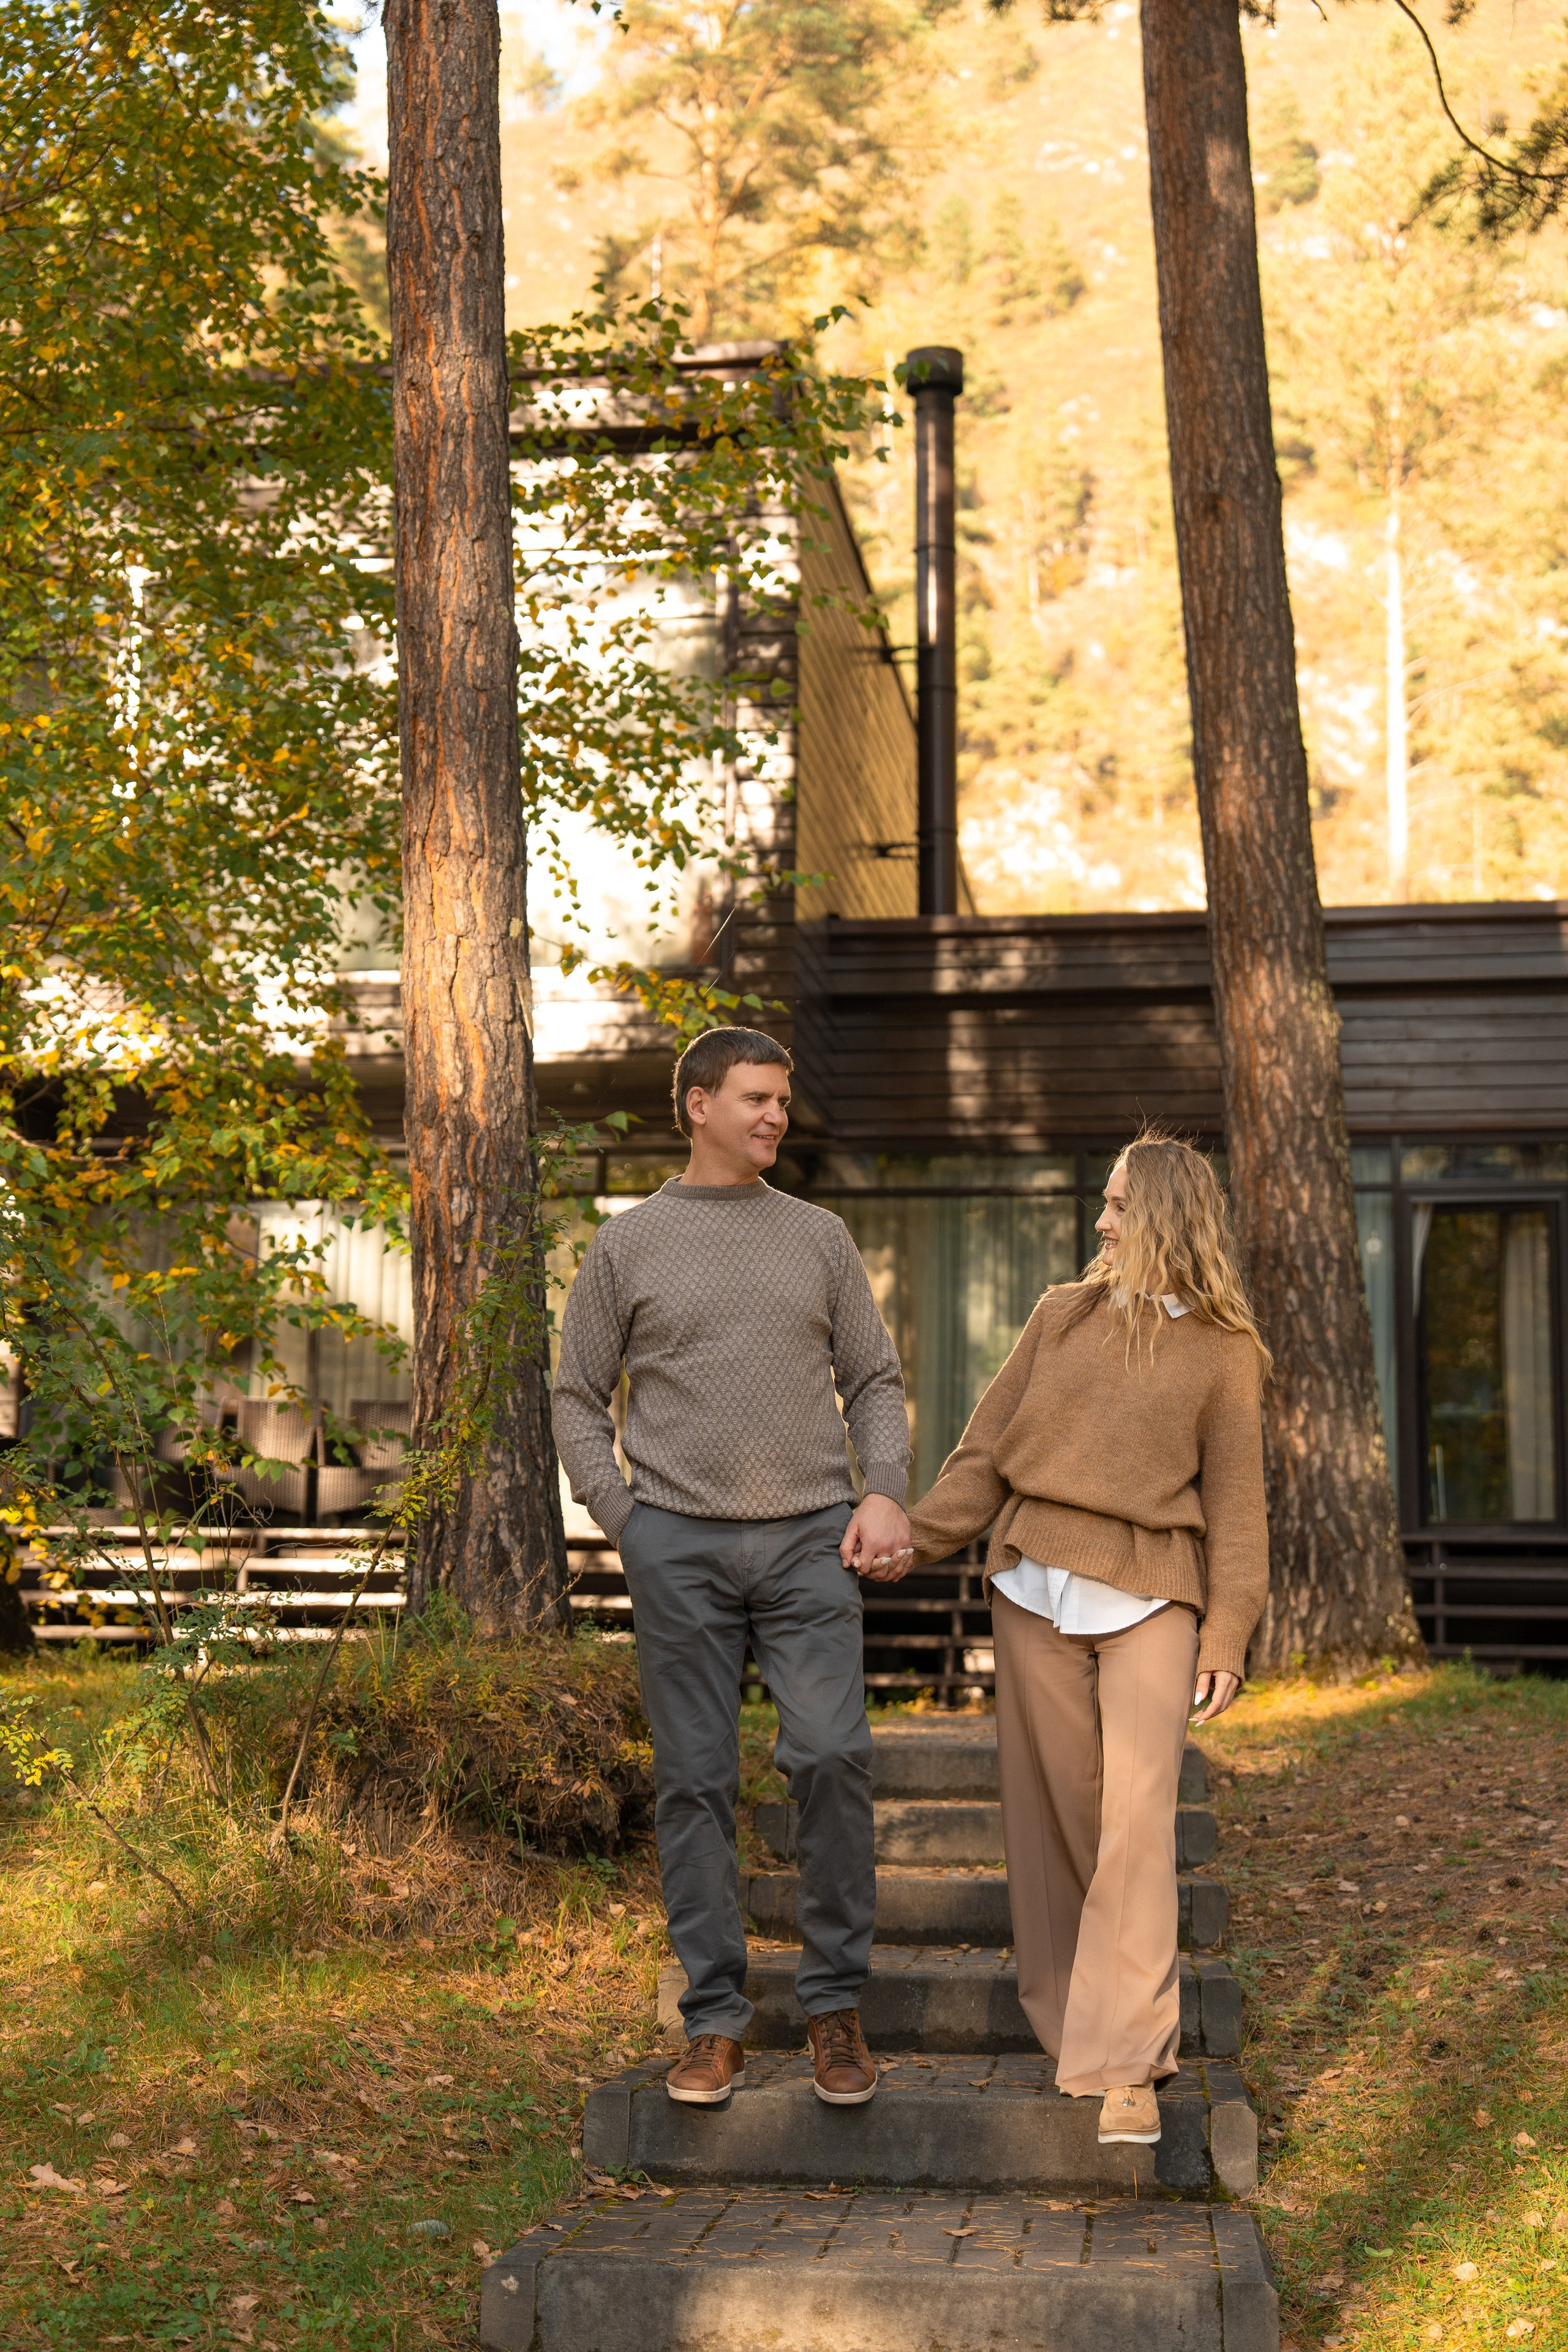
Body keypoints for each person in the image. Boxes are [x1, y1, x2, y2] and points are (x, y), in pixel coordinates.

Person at [551, 1027, 914, 2110]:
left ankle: (834, 2008)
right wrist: (625, 1519)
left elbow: (877, 1378)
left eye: (783, 1103)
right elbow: (575, 1393)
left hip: (811, 1537)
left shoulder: (820, 1238)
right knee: (696, 1783)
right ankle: (712, 2021)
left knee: (832, 1756)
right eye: (756, 1099)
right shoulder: (628, 1245)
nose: (776, 1118)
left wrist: (883, 1487)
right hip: (680, 1546)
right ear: (698, 1104)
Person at [906, 1129, 1270, 2149]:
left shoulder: (1223, 1351)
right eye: (1104, 1203)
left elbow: (1240, 1510)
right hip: (1034, 1590)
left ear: (1161, 1213)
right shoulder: (1060, 1317)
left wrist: (1228, 1631)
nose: (1100, 1221)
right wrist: (914, 1538)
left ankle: (1130, 2064)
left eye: (1116, 1204)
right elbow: (984, 1456)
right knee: (1053, 1818)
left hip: (1156, 1596)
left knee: (1138, 1822)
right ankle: (1075, 2029)